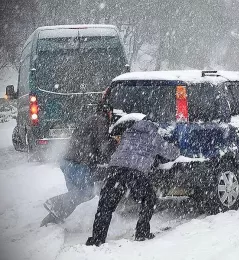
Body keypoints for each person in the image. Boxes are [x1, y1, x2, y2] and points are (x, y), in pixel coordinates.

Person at [86, 118, 180, 246]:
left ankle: (97, 238)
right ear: (154, 126)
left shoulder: (128, 132)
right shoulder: (154, 137)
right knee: (149, 198)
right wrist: (177, 147)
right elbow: (171, 153)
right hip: (136, 172)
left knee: (106, 205)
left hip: (114, 170)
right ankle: (142, 233)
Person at [40, 103, 117, 226]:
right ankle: (53, 204)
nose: (111, 115)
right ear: (107, 111)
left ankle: (51, 221)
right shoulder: (100, 120)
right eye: (111, 112)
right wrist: (114, 144)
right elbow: (103, 145)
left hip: (68, 162)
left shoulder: (91, 119)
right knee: (86, 192)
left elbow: (94, 144)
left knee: (75, 196)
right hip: (77, 163)